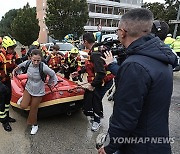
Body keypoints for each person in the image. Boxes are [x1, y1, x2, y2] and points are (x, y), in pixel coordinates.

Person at [98, 8, 176, 154]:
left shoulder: (135, 65)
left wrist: (109, 147)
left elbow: (125, 117)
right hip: (157, 141)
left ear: (122, 32)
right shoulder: (160, 57)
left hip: (138, 146)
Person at [13, 49, 58, 135]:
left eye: (38, 60)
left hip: (39, 91)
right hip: (28, 88)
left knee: (33, 109)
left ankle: (34, 125)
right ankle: (23, 97)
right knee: (23, 106)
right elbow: (19, 66)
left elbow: (52, 74)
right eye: (34, 60)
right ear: (30, 58)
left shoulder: (43, 66)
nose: (36, 62)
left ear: (41, 59)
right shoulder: (27, 63)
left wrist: (49, 83)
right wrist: (14, 71)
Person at [82, 32, 114, 131]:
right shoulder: (95, 50)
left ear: (85, 41)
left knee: (96, 99)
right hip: (101, 81)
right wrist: (79, 71)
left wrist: (92, 85)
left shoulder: (95, 53)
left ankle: (97, 121)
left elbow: (100, 73)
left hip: (104, 81)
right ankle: (97, 116)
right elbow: (91, 67)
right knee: (94, 98)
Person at [0, 36, 19, 131]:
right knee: (2, 101)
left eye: (13, 47)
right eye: (11, 47)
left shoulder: (13, 54)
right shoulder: (0, 55)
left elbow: (14, 65)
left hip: (7, 80)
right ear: (5, 47)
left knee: (8, 99)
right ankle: (3, 121)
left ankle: (7, 117)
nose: (12, 49)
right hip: (0, 81)